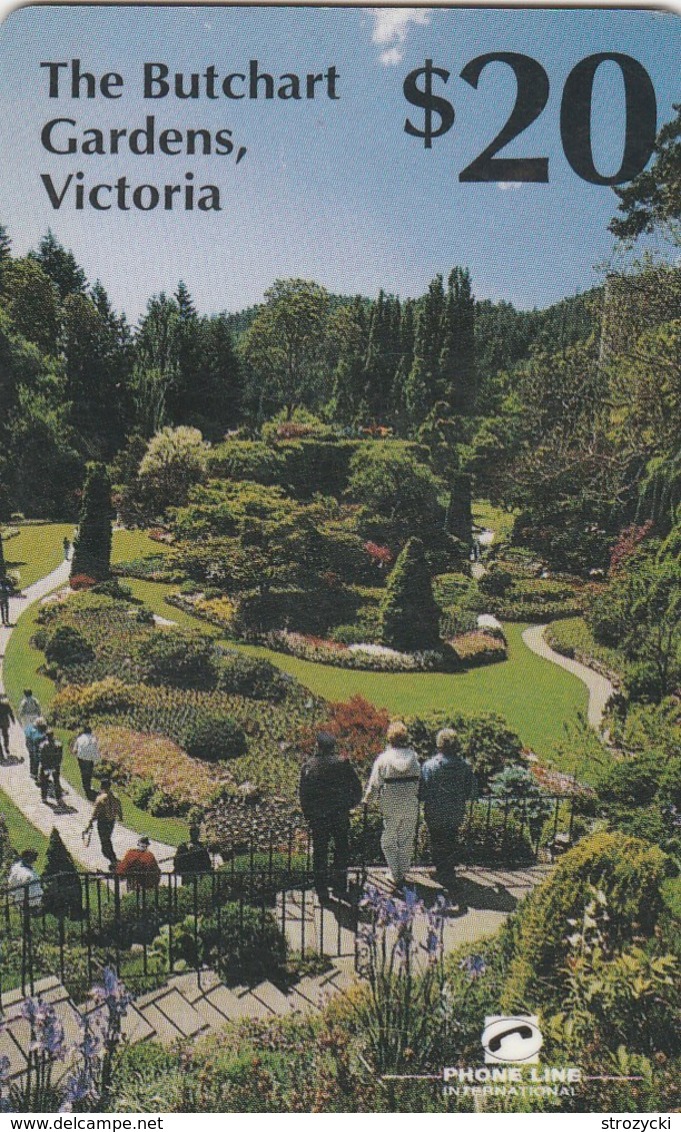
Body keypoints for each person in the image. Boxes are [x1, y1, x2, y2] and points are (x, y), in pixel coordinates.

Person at [299, 732, 362, 902]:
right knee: (341, 849)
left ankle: (321, 890)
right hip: (339, 815)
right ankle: (340, 884)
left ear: (318, 746)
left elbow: (304, 795)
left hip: (319, 817)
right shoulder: (343, 764)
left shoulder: (309, 766)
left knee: (320, 852)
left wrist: (309, 815)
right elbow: (357, 790)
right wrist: (348, 806)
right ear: (333, 747)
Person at [363, 721, 421, 891]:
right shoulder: (414, 758)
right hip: (410, 802)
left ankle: (395, 873)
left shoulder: (384, 759)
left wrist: (367, 801)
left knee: (388, 838)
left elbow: (374, 785)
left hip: (391, 803)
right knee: (406, 839)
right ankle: (401, 873)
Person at [420, 729, 477, 880]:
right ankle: (448, 871)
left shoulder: (429, 766)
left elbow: (422, 792)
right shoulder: (464, 767)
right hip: (455, 811)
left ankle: (442, 871)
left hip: (435, 811)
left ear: (439, 744)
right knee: (451, 838)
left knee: (437, 840)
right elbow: (469, 790)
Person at [85, 777, 123, 868]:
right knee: (107, 839)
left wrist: (90, 823)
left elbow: (95, 812)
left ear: (101, 786)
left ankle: (113, 860)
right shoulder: (115, 797)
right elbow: (119, 808)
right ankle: (113, 858)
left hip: (103, 822)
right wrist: (120, 816)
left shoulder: (101, 798)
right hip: (111, 822)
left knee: (105, 842)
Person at [72, 724, 101, 800]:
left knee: (83, 772)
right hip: (90, 759)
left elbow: (74, 750)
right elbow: (97, 749)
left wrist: (76, 753)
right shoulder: (94, 739)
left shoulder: (79, 738)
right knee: (89, 772)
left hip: (81, 758)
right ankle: (87, 786)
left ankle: (86, 786)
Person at [38, 728, 64, 804]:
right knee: (56, 782)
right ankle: (58, 798)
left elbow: (41, 757)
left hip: (46, 766)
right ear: (53, 736)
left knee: (44, 782)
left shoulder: (42, 746)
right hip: (55, 766)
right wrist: (58, 764)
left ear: (46, 736)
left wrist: (43, 765)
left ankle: (44, 798)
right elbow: (60, 756)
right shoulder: (58, 745)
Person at [24, 716, 47, 780]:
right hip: (33, 746)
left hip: (31, 745)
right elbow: (36, 738)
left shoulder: (30, 727)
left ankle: (33, 773)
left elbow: (26, 731)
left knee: (32, 759)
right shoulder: (36, 731)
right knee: (35, 760)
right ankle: (34, 774)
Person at [0, 693, 15, 760]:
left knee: (5, 734)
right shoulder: (5, 704)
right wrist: (13, 719)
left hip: (3, 721)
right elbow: (10, 712)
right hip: (4, 721)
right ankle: (6, 746)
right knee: (5, 735)